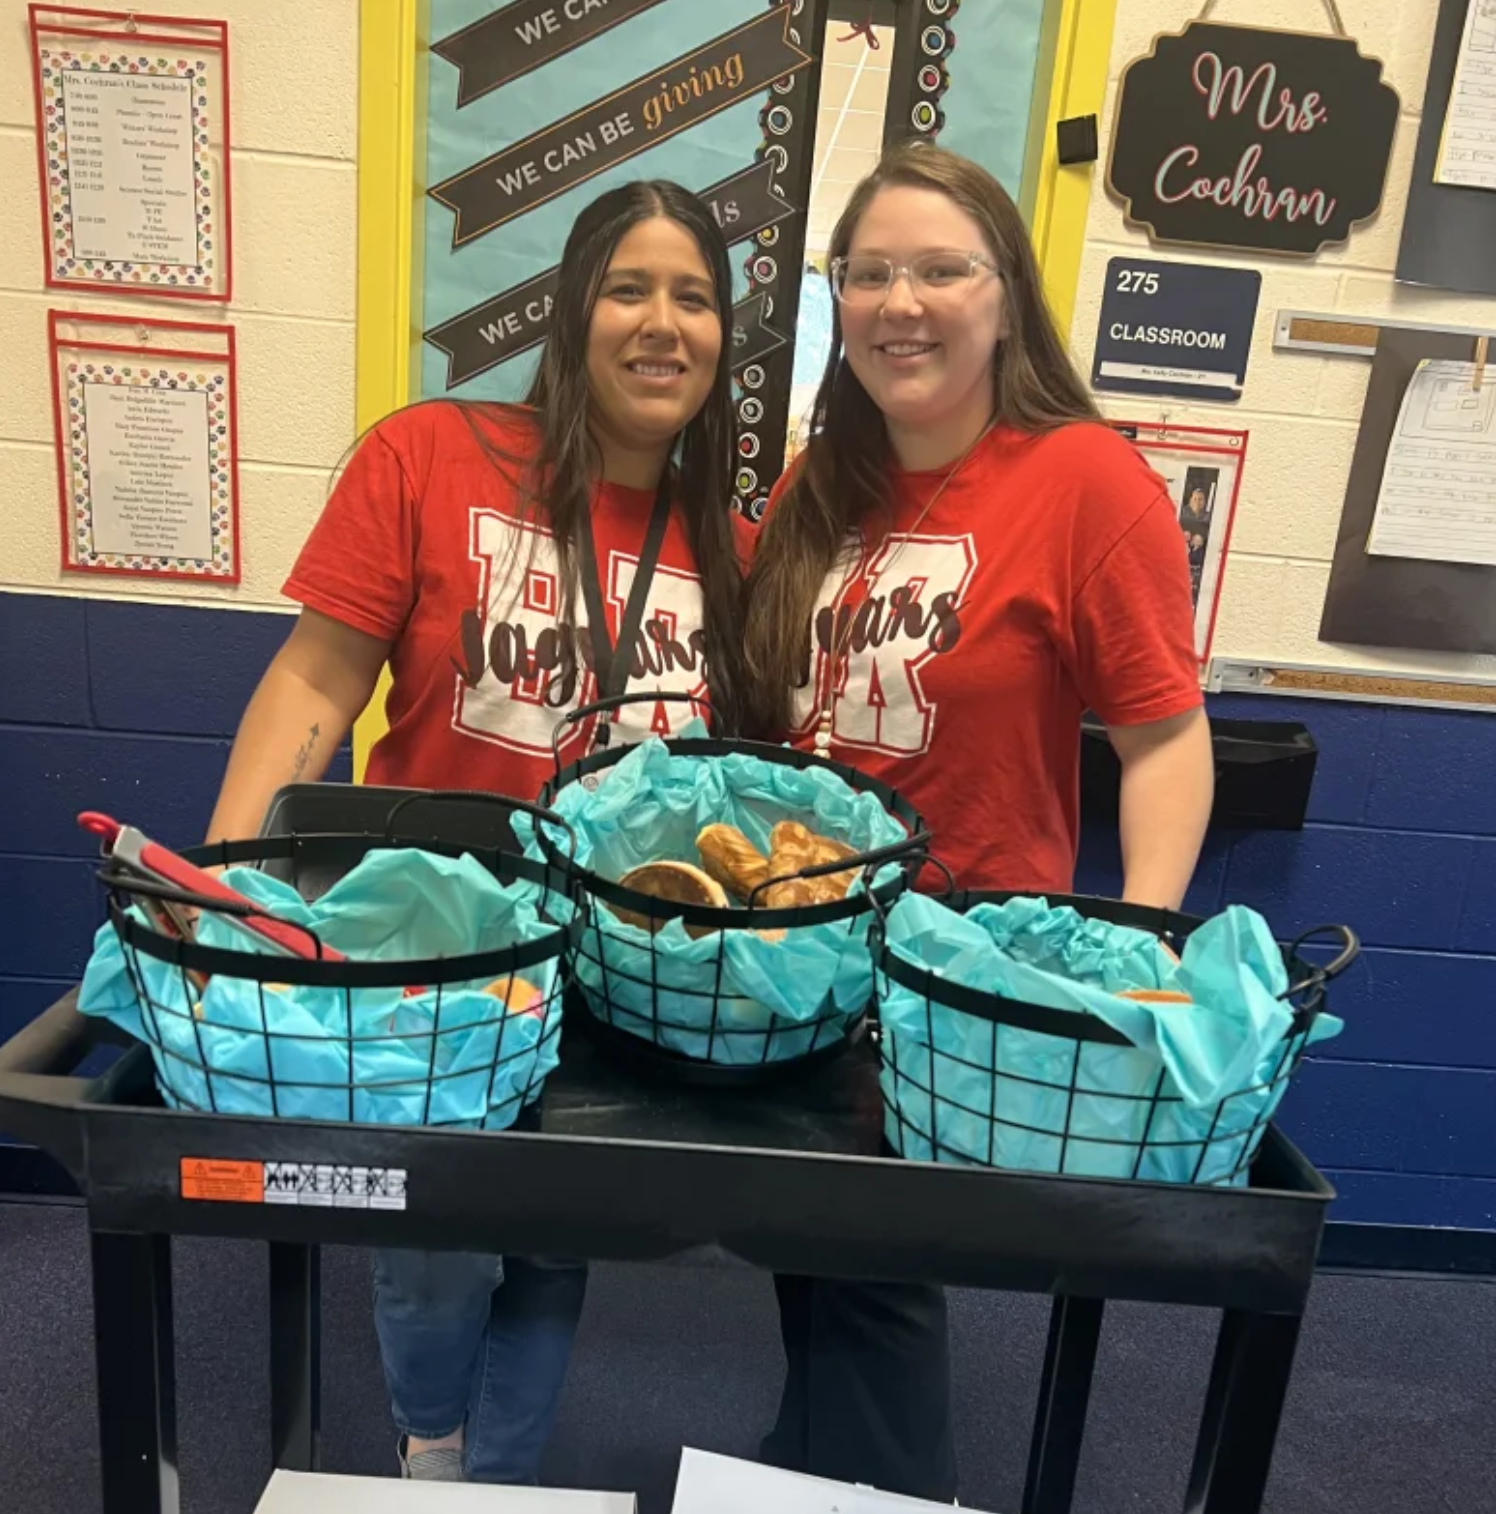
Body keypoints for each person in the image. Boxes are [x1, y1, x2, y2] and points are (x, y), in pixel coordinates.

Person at [204, 179, 749, 1484]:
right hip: (435, 956)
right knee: (434, 1244)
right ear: (572, 310)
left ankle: (499, 1486)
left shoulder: (734, 546)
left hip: (610, 971)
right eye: (629, 287)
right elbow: (315, 683)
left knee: (558, 1243)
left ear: (727, 336)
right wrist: (218, 897)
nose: (661, 322)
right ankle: (432, 1451)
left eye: (694, 296)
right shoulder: (430, 454)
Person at [740, 144, 1214, 1500]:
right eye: (870, 272)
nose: (902, 300)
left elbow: (1165, 738)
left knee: (881, 1282)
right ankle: (803, 1460)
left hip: (958, 971)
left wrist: (1141, 940)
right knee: (810, 1249)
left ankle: (869, 1483)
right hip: (808, 955)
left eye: (941, 269)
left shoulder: (1086, 481)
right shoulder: (815, 487)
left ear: (1006, 297)